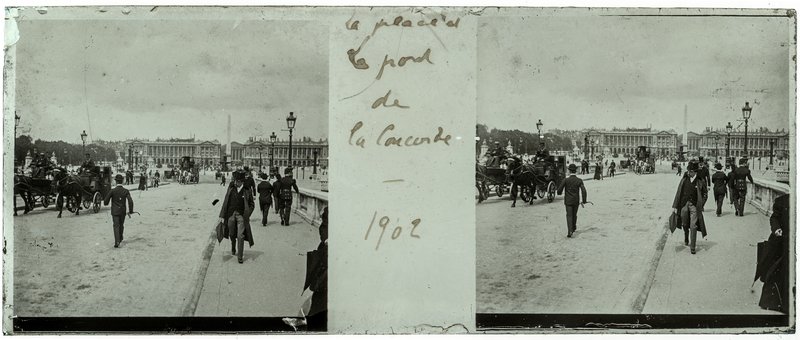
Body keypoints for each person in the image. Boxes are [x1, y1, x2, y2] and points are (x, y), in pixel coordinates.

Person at [758, 194, 789, 313]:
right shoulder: (783, 200)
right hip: (783, 242)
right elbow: (774, 217)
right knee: (777, 272)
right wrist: (776, 229)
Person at [216, 170, 255, 264]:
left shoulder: (247, 190)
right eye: (234, 180)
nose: (235, 182)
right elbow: (225, 202)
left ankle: (240, 256)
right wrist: (222, 215)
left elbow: (252, 204)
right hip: (230, 215)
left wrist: (247, 214)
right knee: (232, 234)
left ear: (241, 181)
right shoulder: (230, 189)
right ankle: (233, 246)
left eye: (237, 181)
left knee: (240, 235)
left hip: (241, 216)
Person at [671, 160, 708, 254]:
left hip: (694, 206)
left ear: (695, 171)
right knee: (684, 223)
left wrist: (701, 204)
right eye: (688, 170)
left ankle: (693, 246)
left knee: (693, 225)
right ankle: (686, 236)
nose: (688, 172)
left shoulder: (700, 181)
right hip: (684, 205)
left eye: (690, 171)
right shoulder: (684, 179)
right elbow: (678, 193)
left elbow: (705, 194)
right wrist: (675, 206)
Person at [103, 174, 134, 248]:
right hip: (122, 211)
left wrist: (107, 203)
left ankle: (117, 241)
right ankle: (120, 237)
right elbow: (130, 201)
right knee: (121, 225)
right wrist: (131, 210)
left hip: (115, 211)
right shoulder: (125, 191)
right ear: (122, 181)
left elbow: (105, 202)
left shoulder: (112, 191)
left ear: (115, 181)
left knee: (116, 225)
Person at [557, 164, 587, 238]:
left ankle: (570, 230)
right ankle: (573, 227)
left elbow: (559, 190)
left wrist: (559, 193)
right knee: (574, 214)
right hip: (576, 200)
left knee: (569, 215)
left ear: (569, 171)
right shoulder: (579, 180)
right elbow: (584, 191)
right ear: (576, 171)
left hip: (568, 201)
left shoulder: (566, 180)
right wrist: (584, 200)